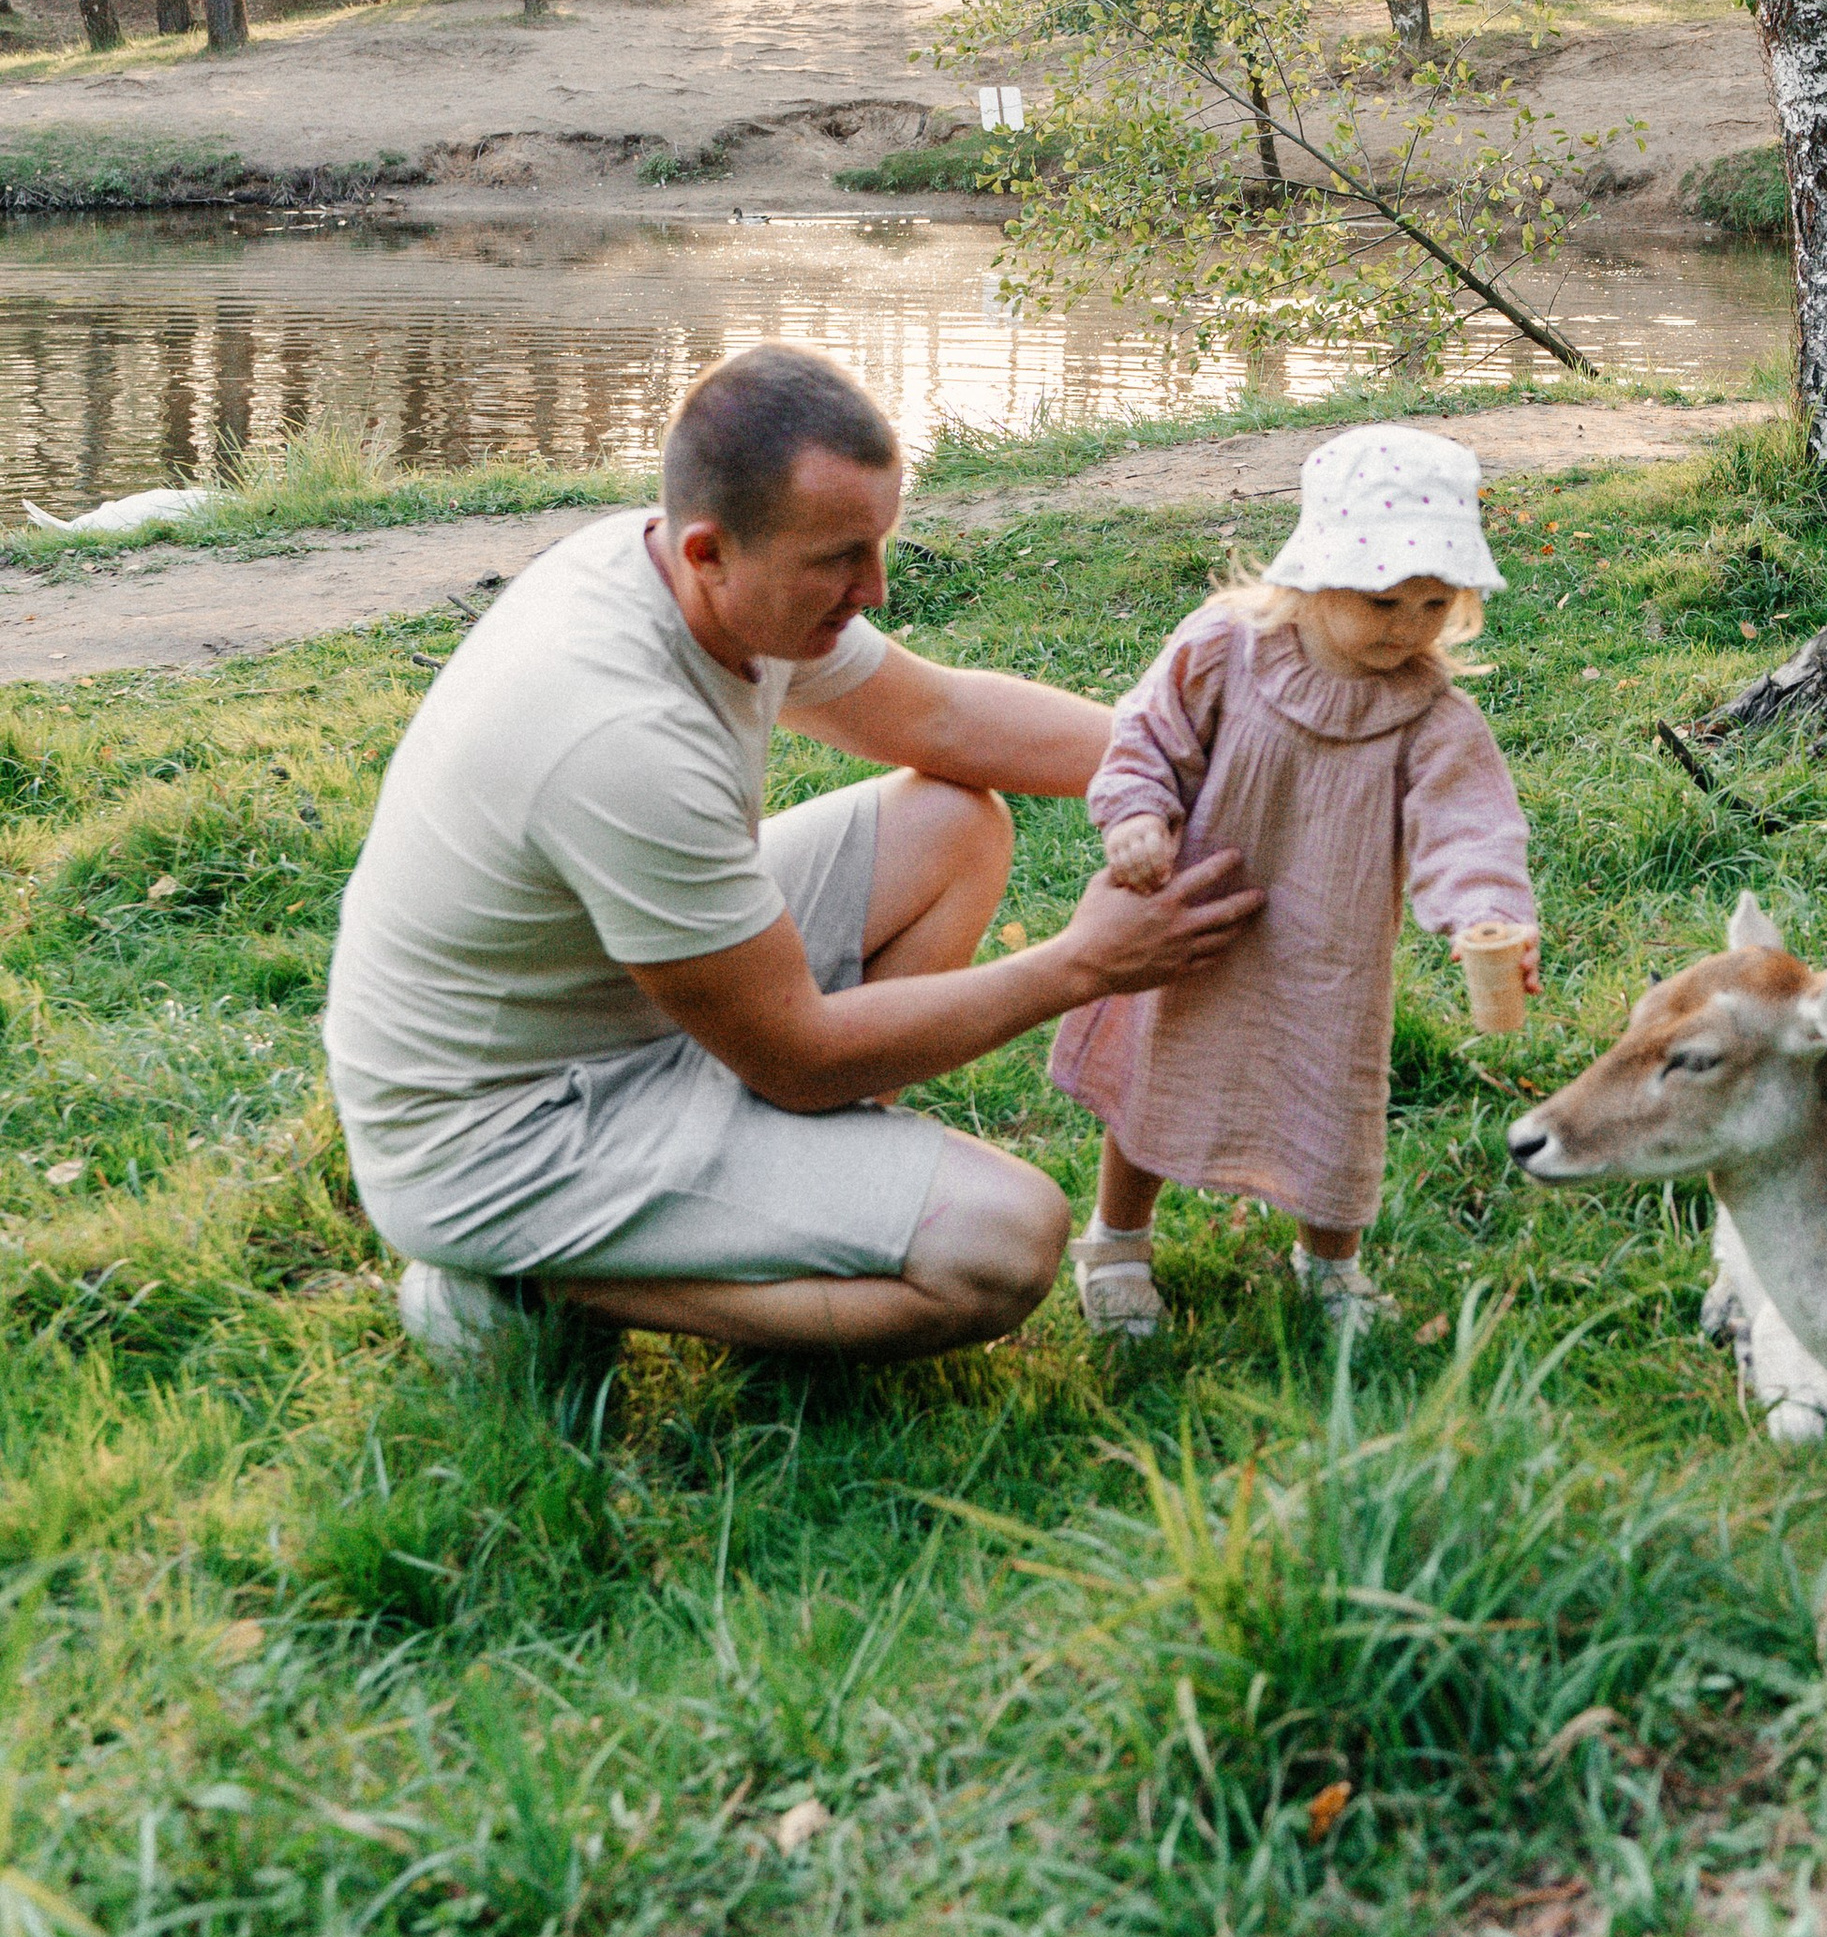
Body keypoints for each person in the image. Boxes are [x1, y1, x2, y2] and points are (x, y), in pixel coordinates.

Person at [322, 343, 1261, 1373]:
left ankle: (794, 1196)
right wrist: (1085, 962)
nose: (877, 587)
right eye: (841, 559)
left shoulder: (692, 576)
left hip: (627, 1008)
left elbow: (942, 718)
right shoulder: (619, 736)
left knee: (955, 824)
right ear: (709, 552)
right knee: (1003, 1246)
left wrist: (1204, 769)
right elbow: (798, 1057)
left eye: (878, 543)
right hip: (506, 1131)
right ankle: (522, 1278)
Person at [1050, 426, 1539, 1341]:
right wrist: (1136, 814)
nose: (1408, 627)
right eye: (1384, 600)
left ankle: (1331, 1262)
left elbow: (1471, 825)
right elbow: (1147, 734)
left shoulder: (1429, 714)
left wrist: (1487, 912)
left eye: (1435, 604)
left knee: (1334, 1095)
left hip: (1330, 950)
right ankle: (1117, 1240)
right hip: (1193, 918)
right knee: (1158, 1071)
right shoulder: (1225, 649)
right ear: (1316, 574)